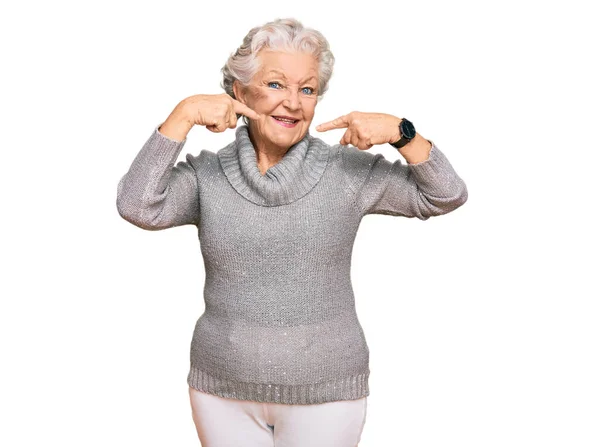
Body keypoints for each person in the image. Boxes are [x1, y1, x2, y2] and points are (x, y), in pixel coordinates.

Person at [116, 17, 467, 447]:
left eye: (307, 89)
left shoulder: (348, 172)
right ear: (240, 92)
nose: (293, 103)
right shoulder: (206, 177)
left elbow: (446, 195)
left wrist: (401, 132)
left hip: (326, 393)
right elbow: (137, 205)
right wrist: (183, 114)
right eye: (276, 85)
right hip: (220, 390)